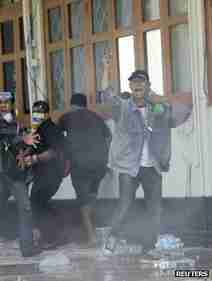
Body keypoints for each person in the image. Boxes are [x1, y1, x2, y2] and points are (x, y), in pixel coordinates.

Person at [101, 54, 176, 261]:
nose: (137, 85)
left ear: (148, 86)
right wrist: (106, 68)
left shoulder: (157, 109)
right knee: (125, 204)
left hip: (152, 165)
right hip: (129, 166)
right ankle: (112, 238)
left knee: (155, 209)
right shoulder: (123, 107)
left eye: (141, 82)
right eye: (133, 83)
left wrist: (161, 102)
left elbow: (174, 117)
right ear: (130, 87)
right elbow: (107, 95)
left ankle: (148, 247)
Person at [0, 91, 40, 257]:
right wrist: (21, 139)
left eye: (6, 102)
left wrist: (24, 154)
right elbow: (5, 133)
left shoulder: (19, 125)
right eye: (0, 102)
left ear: (12, 104)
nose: (3, 105)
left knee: (25, 208)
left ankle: (27, 248)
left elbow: (29, 145)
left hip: (15, 173)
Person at [58, 94, 112, 247]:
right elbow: (109, 137)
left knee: (83, 201)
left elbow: (56, 136)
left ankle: (92, 237)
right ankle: (96, 231)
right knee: (91, 197)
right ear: (85, 104)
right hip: (99, 166)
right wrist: (104, 156)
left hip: (80, 166)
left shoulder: (66, 117)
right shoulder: (96, 117)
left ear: (72, 105)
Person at [21, 101, 66, 249]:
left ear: (47, 114)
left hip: (51, 173)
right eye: (35, 112)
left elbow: (53, 152)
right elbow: (33, 147)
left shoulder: (50, 129)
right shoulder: (38, 129)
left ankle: (53, 236)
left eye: (40, 112)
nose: (37, 115)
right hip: (42, 174)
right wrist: (25, 154)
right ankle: (55, 233)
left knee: (37, 202)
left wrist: (34, 159)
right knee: (38, 202)